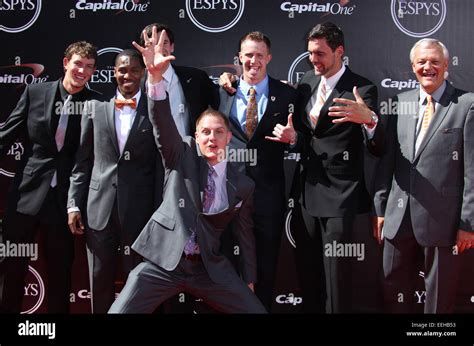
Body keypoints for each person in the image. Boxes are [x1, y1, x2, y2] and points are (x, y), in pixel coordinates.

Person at [108, 27, 266, 313]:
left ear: (228, 138)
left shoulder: (242, 185)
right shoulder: (180, 155)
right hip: (162, 265)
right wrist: (155, 80)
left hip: (209, 270)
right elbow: (162, 124)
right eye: (204, 132)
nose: (211, 138)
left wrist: (250, 279)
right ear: (195, 136)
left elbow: (245, 236)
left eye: (218, 132)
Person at [373, 38, 474, 313]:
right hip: (397, 218)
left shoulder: (467, 105)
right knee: (392, 290)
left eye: (434, 62)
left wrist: (468, 223)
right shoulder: (399, 103)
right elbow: (387, 160)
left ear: (446, 66)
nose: (427, 67)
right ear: (412, 66)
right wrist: (381, 208)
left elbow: (472, 171)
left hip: (445, 222)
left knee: (439, 299)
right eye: (421, 62)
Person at [0, 41, 100, 313]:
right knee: (12, 269)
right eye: (78, 64)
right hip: (25, 196)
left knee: (60, 273)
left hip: (64, 203)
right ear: (66, 63)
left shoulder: (95, 103)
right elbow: (7, 135)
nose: (83, 71)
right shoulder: (35, 93)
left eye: (89, 67)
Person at [295, 22, 383, 313]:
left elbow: (378, 145)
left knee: (337, 280)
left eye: (320, 53)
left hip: (341, 197)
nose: (313, 59)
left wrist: (369, 119)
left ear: (339, 52)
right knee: (310, 275)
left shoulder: (363, 88)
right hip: (307, 195)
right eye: (310, 53)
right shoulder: (306, 81)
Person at [67, 49, 160, 313]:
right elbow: (82, 162)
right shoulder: (95, 108)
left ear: (142, 73)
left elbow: (160, 167)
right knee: (99, 281)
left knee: (138, 284)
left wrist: (159, 211)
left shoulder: (155, 110)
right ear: (114, 73)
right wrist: (74, 204)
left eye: (133, 70)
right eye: (121, 70)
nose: (127, 75)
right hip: (99, 210)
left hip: (140, 213)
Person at [217, 31, 299, 311]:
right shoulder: (221, 91)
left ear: (269, 58)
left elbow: (305, 137)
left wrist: (293, 138)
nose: (254, 60)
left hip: (268, 194)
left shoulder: (288, 94)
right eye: (248, 55)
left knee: (266, 263)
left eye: (259, 55)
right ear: (239, 58)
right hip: (229, 192)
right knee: (227, 260)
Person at [139, 23, 218, 138]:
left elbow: (222, 101)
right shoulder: (136, 83)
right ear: (143, 50)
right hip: (149, 154)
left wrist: (228, 79)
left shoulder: (196, 78)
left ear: (172, 47)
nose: (158, 48)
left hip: (188, 153)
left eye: (164, 42)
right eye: (152, 44)